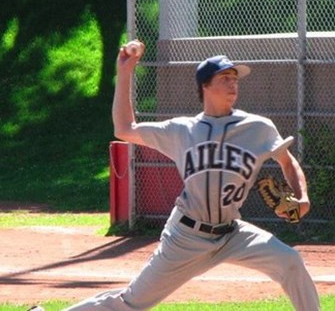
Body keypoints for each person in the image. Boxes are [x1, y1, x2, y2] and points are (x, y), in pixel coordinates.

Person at [64, 40, 320, 310]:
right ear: (205, 86)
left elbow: (287, 162)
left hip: (233, 233)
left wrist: (303, 197)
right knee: (131, 303)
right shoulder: (181, 131)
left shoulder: (258, 127)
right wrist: (125, 71)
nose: (233, 83)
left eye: (235, 78)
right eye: (225, 78)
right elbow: (124, 128)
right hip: (186, 237)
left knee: (291, 262)